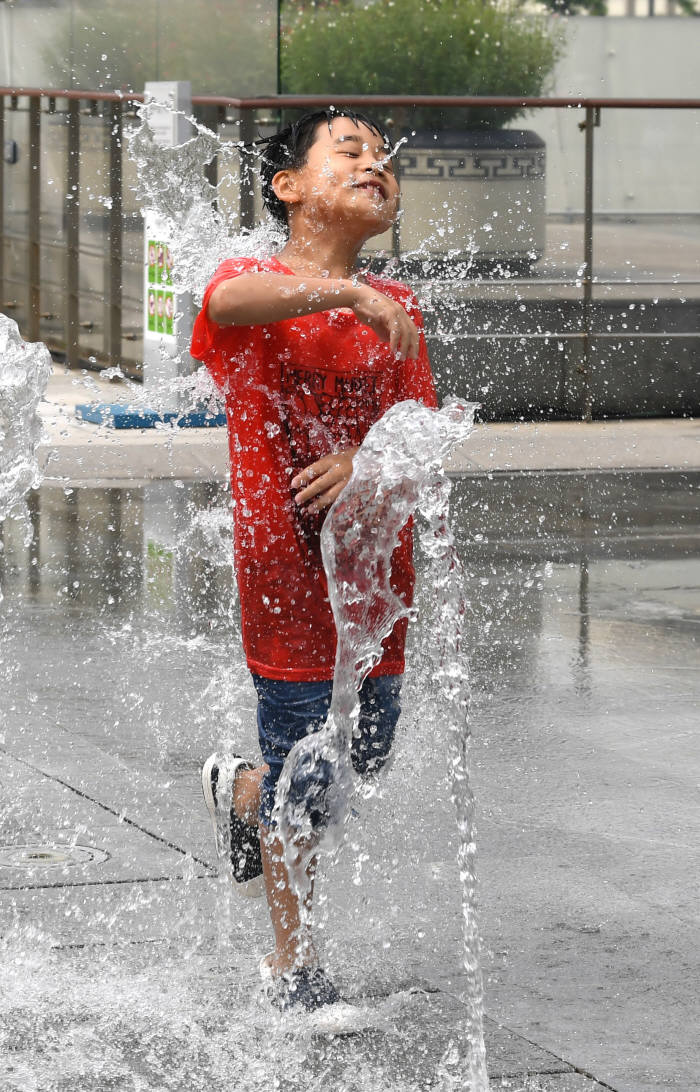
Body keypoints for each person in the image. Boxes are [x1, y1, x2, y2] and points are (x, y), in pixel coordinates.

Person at [190, 108, 437, 1013]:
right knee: (309, 782)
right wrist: (342, 294)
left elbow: (421, 440)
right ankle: (294, 970)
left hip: (375, 592)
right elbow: (221, 307)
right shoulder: (257, 280)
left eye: (384, 158)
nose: (377, 166)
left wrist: (370, 462)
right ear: (289, 187)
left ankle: (238, 789)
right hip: (288, 585)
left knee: (358, 760)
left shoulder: (400, 311)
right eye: (351, 152)